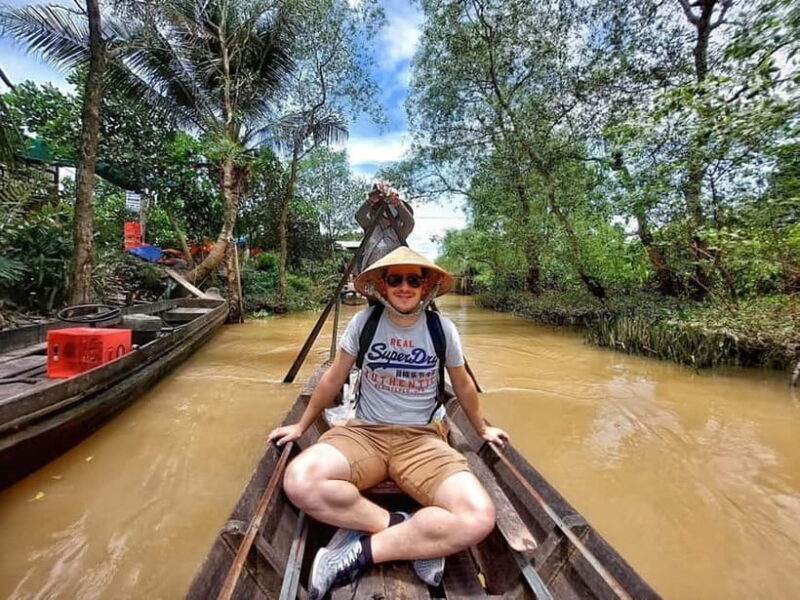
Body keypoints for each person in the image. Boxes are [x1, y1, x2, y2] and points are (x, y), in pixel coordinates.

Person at [268, 247, 509, 599]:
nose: (405, 287)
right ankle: (404, 530)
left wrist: (483, 429)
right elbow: (334, 377)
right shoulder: (364, 323)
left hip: (422, 440)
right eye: (396, 279)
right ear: (382, 285)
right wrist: (302, 426)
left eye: (414, 279)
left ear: (426, 287)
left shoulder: (442, 329)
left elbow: (462, 384)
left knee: (477, 516)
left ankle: (357, 554)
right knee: (300, 480)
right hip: (364, 433)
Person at [355, 182, 415, 274]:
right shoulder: (371, 227)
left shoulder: (400, 232)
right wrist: (371, 201)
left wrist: (397, 203)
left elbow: (410, 223)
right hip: (371, 274)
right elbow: (359, 217)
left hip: (392, 276)